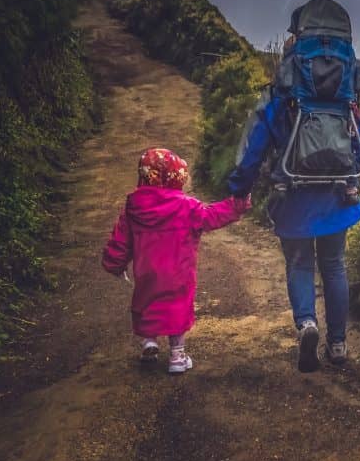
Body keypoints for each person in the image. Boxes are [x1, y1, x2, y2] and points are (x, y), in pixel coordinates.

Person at [227, 0, 360, 373]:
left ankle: (307, 323)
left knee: (299, 263)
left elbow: (254, 146)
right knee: (335, 265)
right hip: (338, 195)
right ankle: (338, 344)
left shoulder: (282, 96)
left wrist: (239, 189)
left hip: (292, 194)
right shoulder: (345, 101)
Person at [102, 147, 251, 373]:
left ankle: (149, 342)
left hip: (147, 272)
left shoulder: (134, 207)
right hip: (178, 274)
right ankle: (177, 358)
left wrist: (116, 263)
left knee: (148, 305)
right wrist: (237, 205)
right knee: (176, 310)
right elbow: (211, 216)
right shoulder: (186, 206)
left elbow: (121, 239)